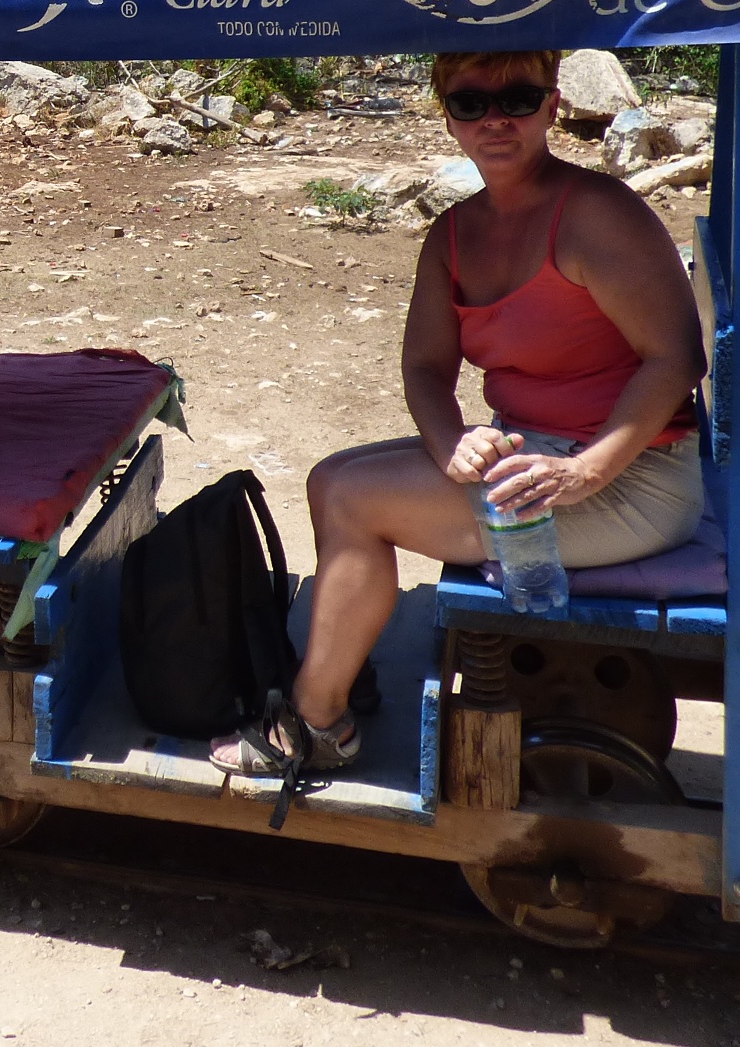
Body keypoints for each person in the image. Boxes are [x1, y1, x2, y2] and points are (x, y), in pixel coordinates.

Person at [212, 48, 707, 779]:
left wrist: (587, 471)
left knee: (354, 500)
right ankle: (343, 667)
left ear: (552, 104)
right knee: (329, 477)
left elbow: (675, 359)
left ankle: (317, 722)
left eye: (517, 98)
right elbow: (424, 367)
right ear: (447, 118)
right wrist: (450, 444)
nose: (494, 119)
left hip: (632, 479)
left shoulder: (596, 215)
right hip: (531, 453)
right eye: (470, 104)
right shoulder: (452, 233)